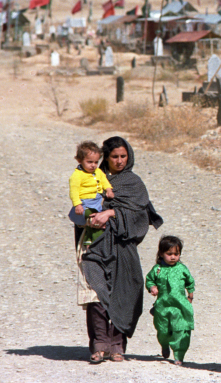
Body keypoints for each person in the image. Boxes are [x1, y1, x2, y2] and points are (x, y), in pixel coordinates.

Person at [80, 136, 163, 364]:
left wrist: (112, 213)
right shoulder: (90, 179)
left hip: (124, 248)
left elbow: (141, 216)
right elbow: (77, 209)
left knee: (125, 292)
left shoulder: (134, 184)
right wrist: (89, 216)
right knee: (96, 294)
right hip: (95, 245)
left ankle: (117, 346)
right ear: (105, 157)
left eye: (123, 156)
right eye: (114, 156)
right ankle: (99, 345)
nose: (119, 161)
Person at [146, 235, 195, 366]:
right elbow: (149, 280)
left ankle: (179, 355)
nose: (173, 257)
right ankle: (164, 344)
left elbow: (190, 283)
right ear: (161, 253)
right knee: (163, 330)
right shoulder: (157, 269)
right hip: (162, 307)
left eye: (176, 254)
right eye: (169, 254)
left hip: (179, 306)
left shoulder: (182, 269)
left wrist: (190, 297)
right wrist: (152, 287)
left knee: (180, 330)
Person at [69, 141, 114, 245]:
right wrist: (77, 204)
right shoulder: (77, 175)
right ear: (80, 160)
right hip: (85, 202)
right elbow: (74, 191)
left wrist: (108, 189)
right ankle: (93, 240)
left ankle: (91, 237)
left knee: (99, 217)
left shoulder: (97, 172)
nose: (93, 165)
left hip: (97, 200)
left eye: (96, 162)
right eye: (90, 162)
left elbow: (104, 180)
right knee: (90, 217)